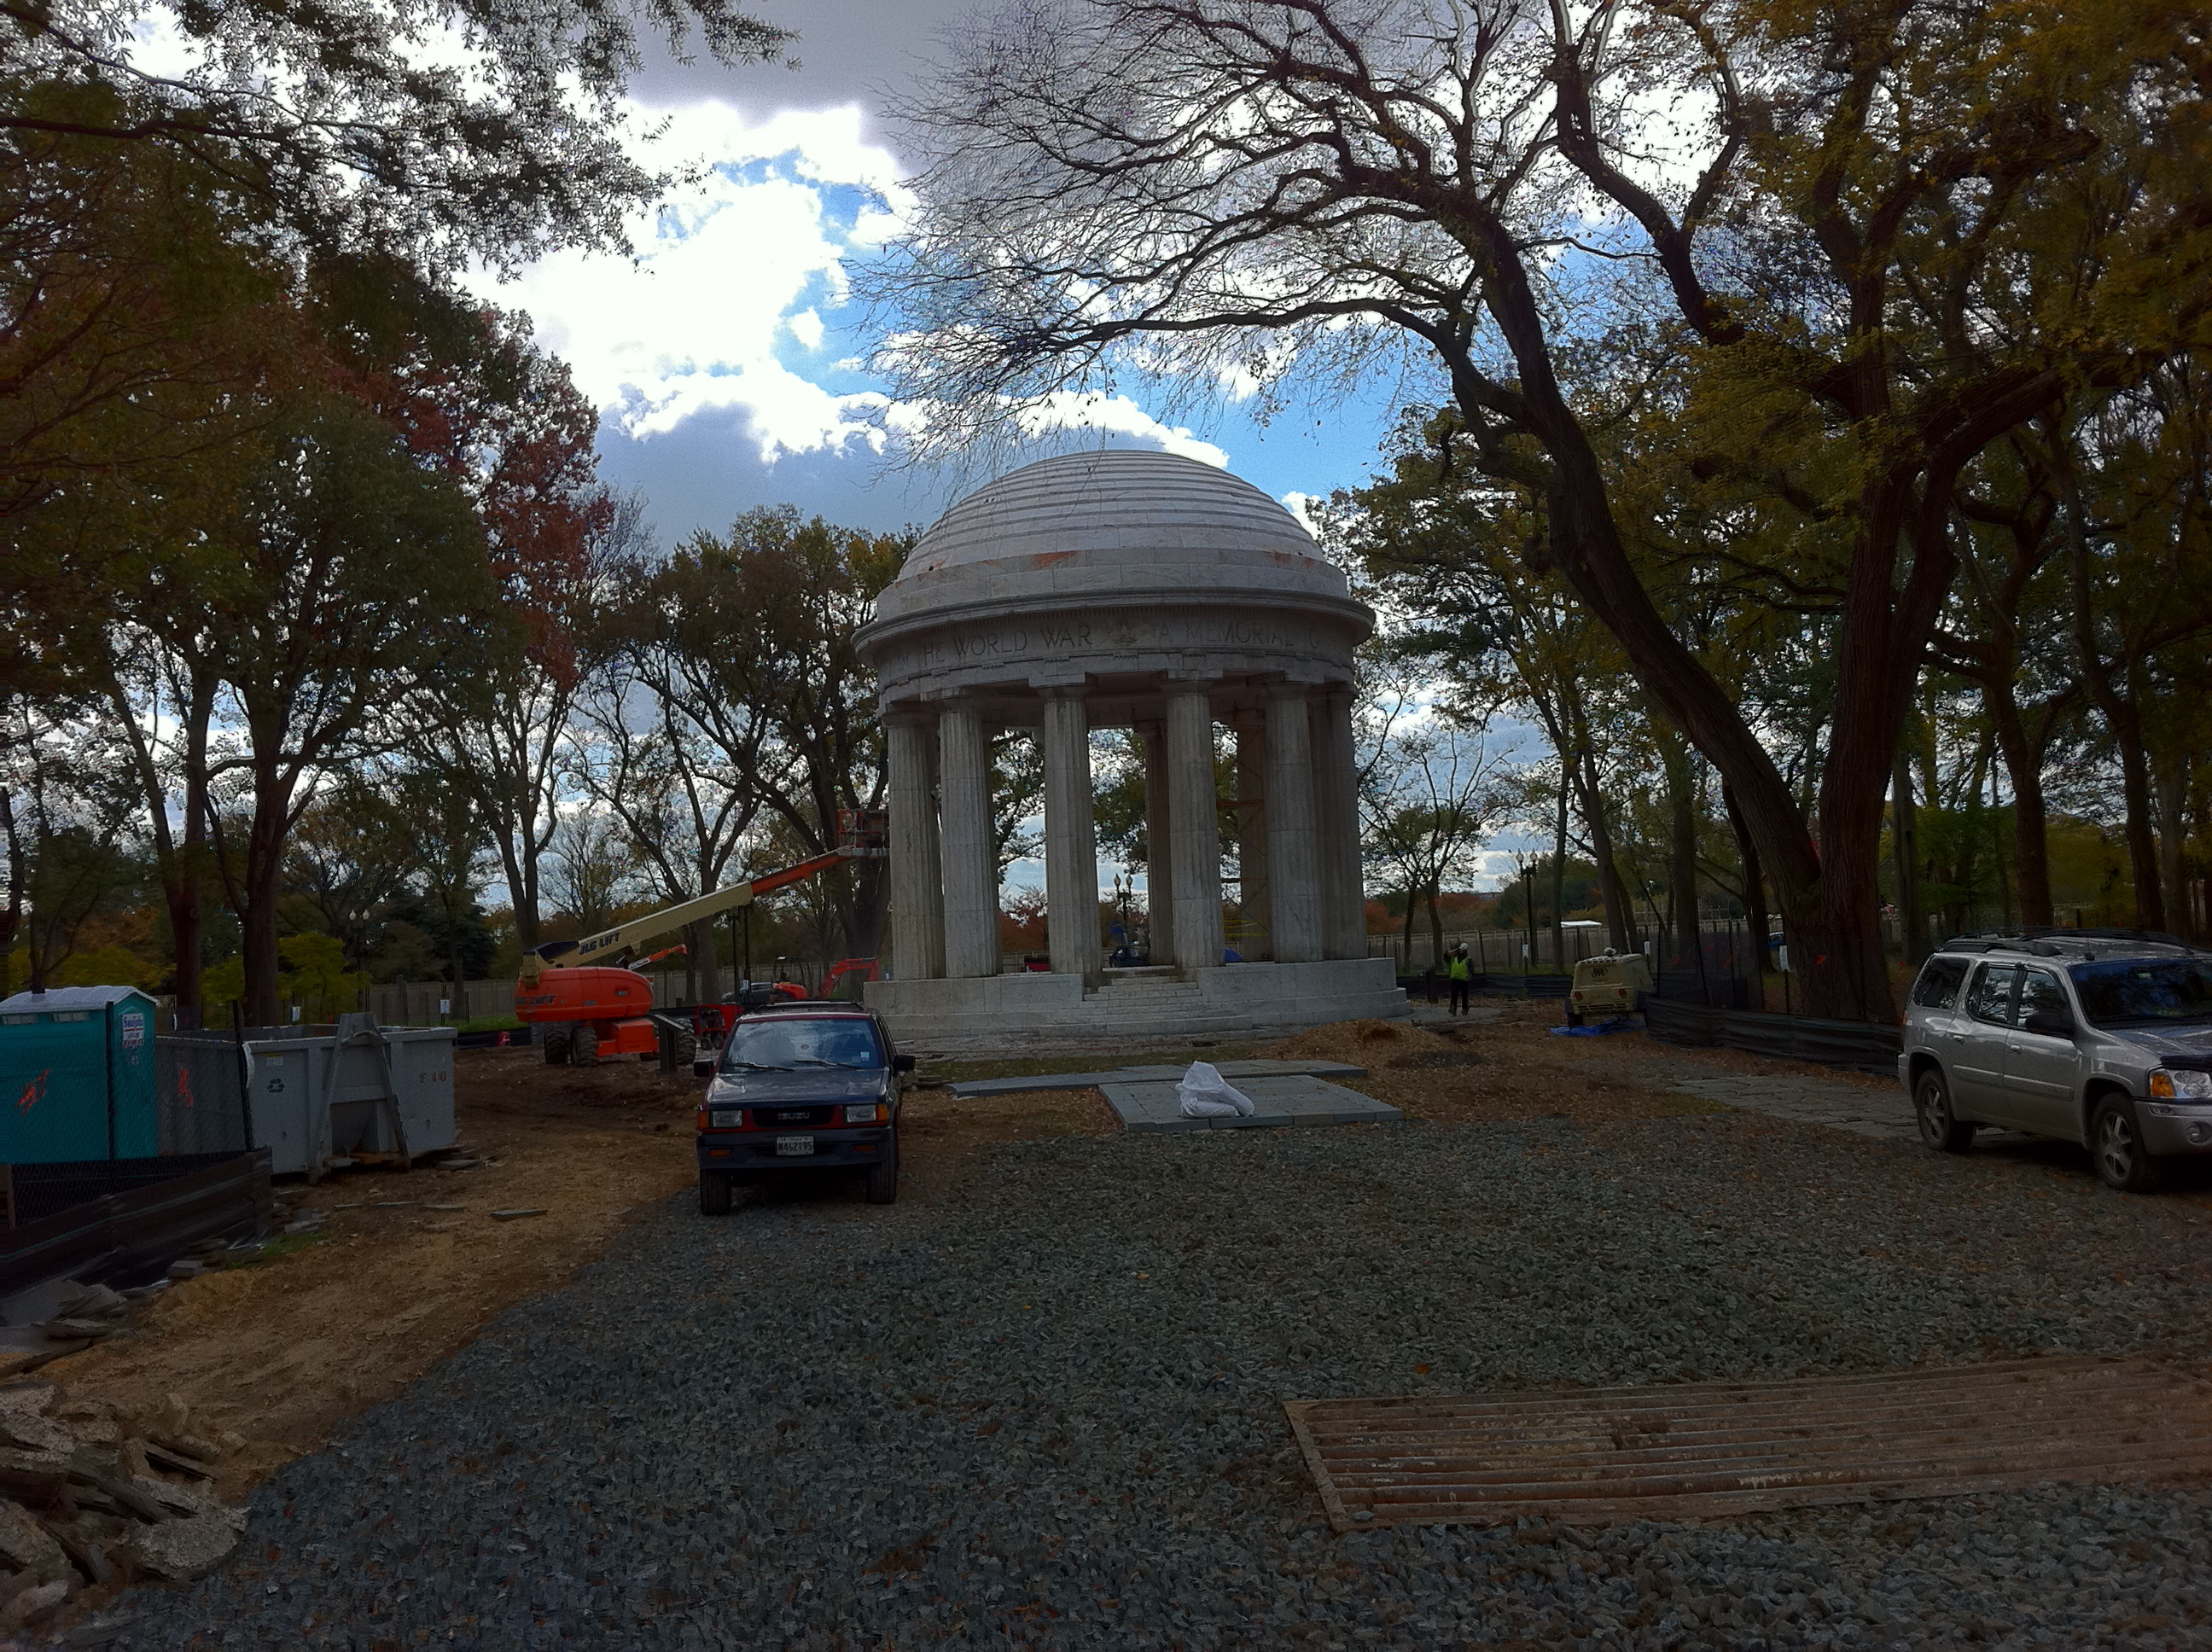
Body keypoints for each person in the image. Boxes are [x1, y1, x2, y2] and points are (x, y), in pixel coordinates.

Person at [1447, 942, 1472, 1016]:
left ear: (1466, 951)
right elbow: (1446, 955)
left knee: (1464, 995)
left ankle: (1465, 1008)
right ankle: (1453, 1008)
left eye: (1463, 950)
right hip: (1454, 978)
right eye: (1460, 949)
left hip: (1464, 979)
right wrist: (1455, 950)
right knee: (1454, 994)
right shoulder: (1453, 958)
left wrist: (1470, 976)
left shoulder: (1468, 959)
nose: (1461, 951)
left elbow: (1471, 969)